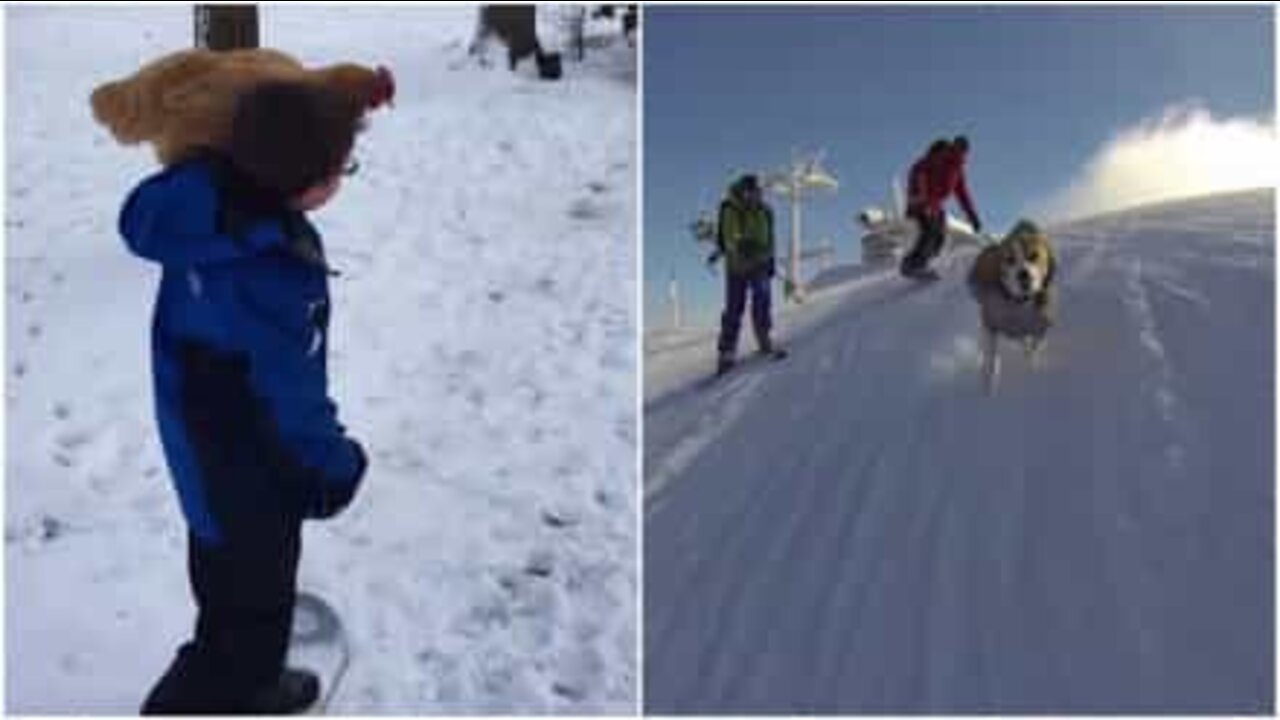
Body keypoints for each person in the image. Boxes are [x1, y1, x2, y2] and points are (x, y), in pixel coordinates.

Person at [120, 81, 370, 714]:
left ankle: (244, 679)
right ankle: (226, 694)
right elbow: (290, 399)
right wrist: (334, 469)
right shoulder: (268, 274)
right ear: (304, 181)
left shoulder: (208, 210)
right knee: (251, 618)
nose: (342, 180)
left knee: (224, 593)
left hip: (205, 457)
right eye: (341, 170)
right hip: (249, 475)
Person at [715, 174, 781, 374]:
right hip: (736, 266)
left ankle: (763, 337)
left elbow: (770, 239)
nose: (755, 196)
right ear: (743, 191)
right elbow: (728, 235)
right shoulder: (730, 208)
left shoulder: (766, 211)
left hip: (759, 264)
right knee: (734, 307)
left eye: (758, 193)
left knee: (762, 298)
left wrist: (770, 260)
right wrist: (740, 245)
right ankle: (727, 351)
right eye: (751, 192)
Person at [900, 135, 982, 278]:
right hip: (919, 201)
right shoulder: (939, 158)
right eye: (957, 148)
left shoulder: (958, 170)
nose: (960, 153)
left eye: (963, 151)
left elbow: (963, 195)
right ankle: (913, 265)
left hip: (935, 206)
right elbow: (919, 172)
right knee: (930, 230)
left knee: (940, 238)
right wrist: (922, 199)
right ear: (953, 146)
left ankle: (920, 263)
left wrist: (972, 216)